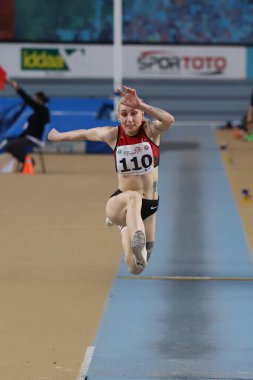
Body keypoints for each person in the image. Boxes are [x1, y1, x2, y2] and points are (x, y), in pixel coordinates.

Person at [48, 86, 174, 275]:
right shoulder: (112, 135)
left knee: (137, 267)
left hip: (150, 205)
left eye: (134, 114)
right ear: (118, 117)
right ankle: (125, 224)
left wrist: (141, 104)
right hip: (121, 202)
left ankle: (124, 228)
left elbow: (169, 120)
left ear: (143, 116)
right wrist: (59, 137)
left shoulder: (151, 131)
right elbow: (85, 133)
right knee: (133, 197)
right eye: (124, 114)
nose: (129, 119)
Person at [0, 78, 50, 172]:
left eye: (35, 98)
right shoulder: (37, 113)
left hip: (35, 139)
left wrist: (16, 87)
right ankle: (24, 162)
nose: (33, 100)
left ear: (39, 100)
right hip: (28, 137)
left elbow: (27, 99)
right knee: (8, 141)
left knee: (11, 146)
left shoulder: (43, 111)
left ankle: (29, 161)